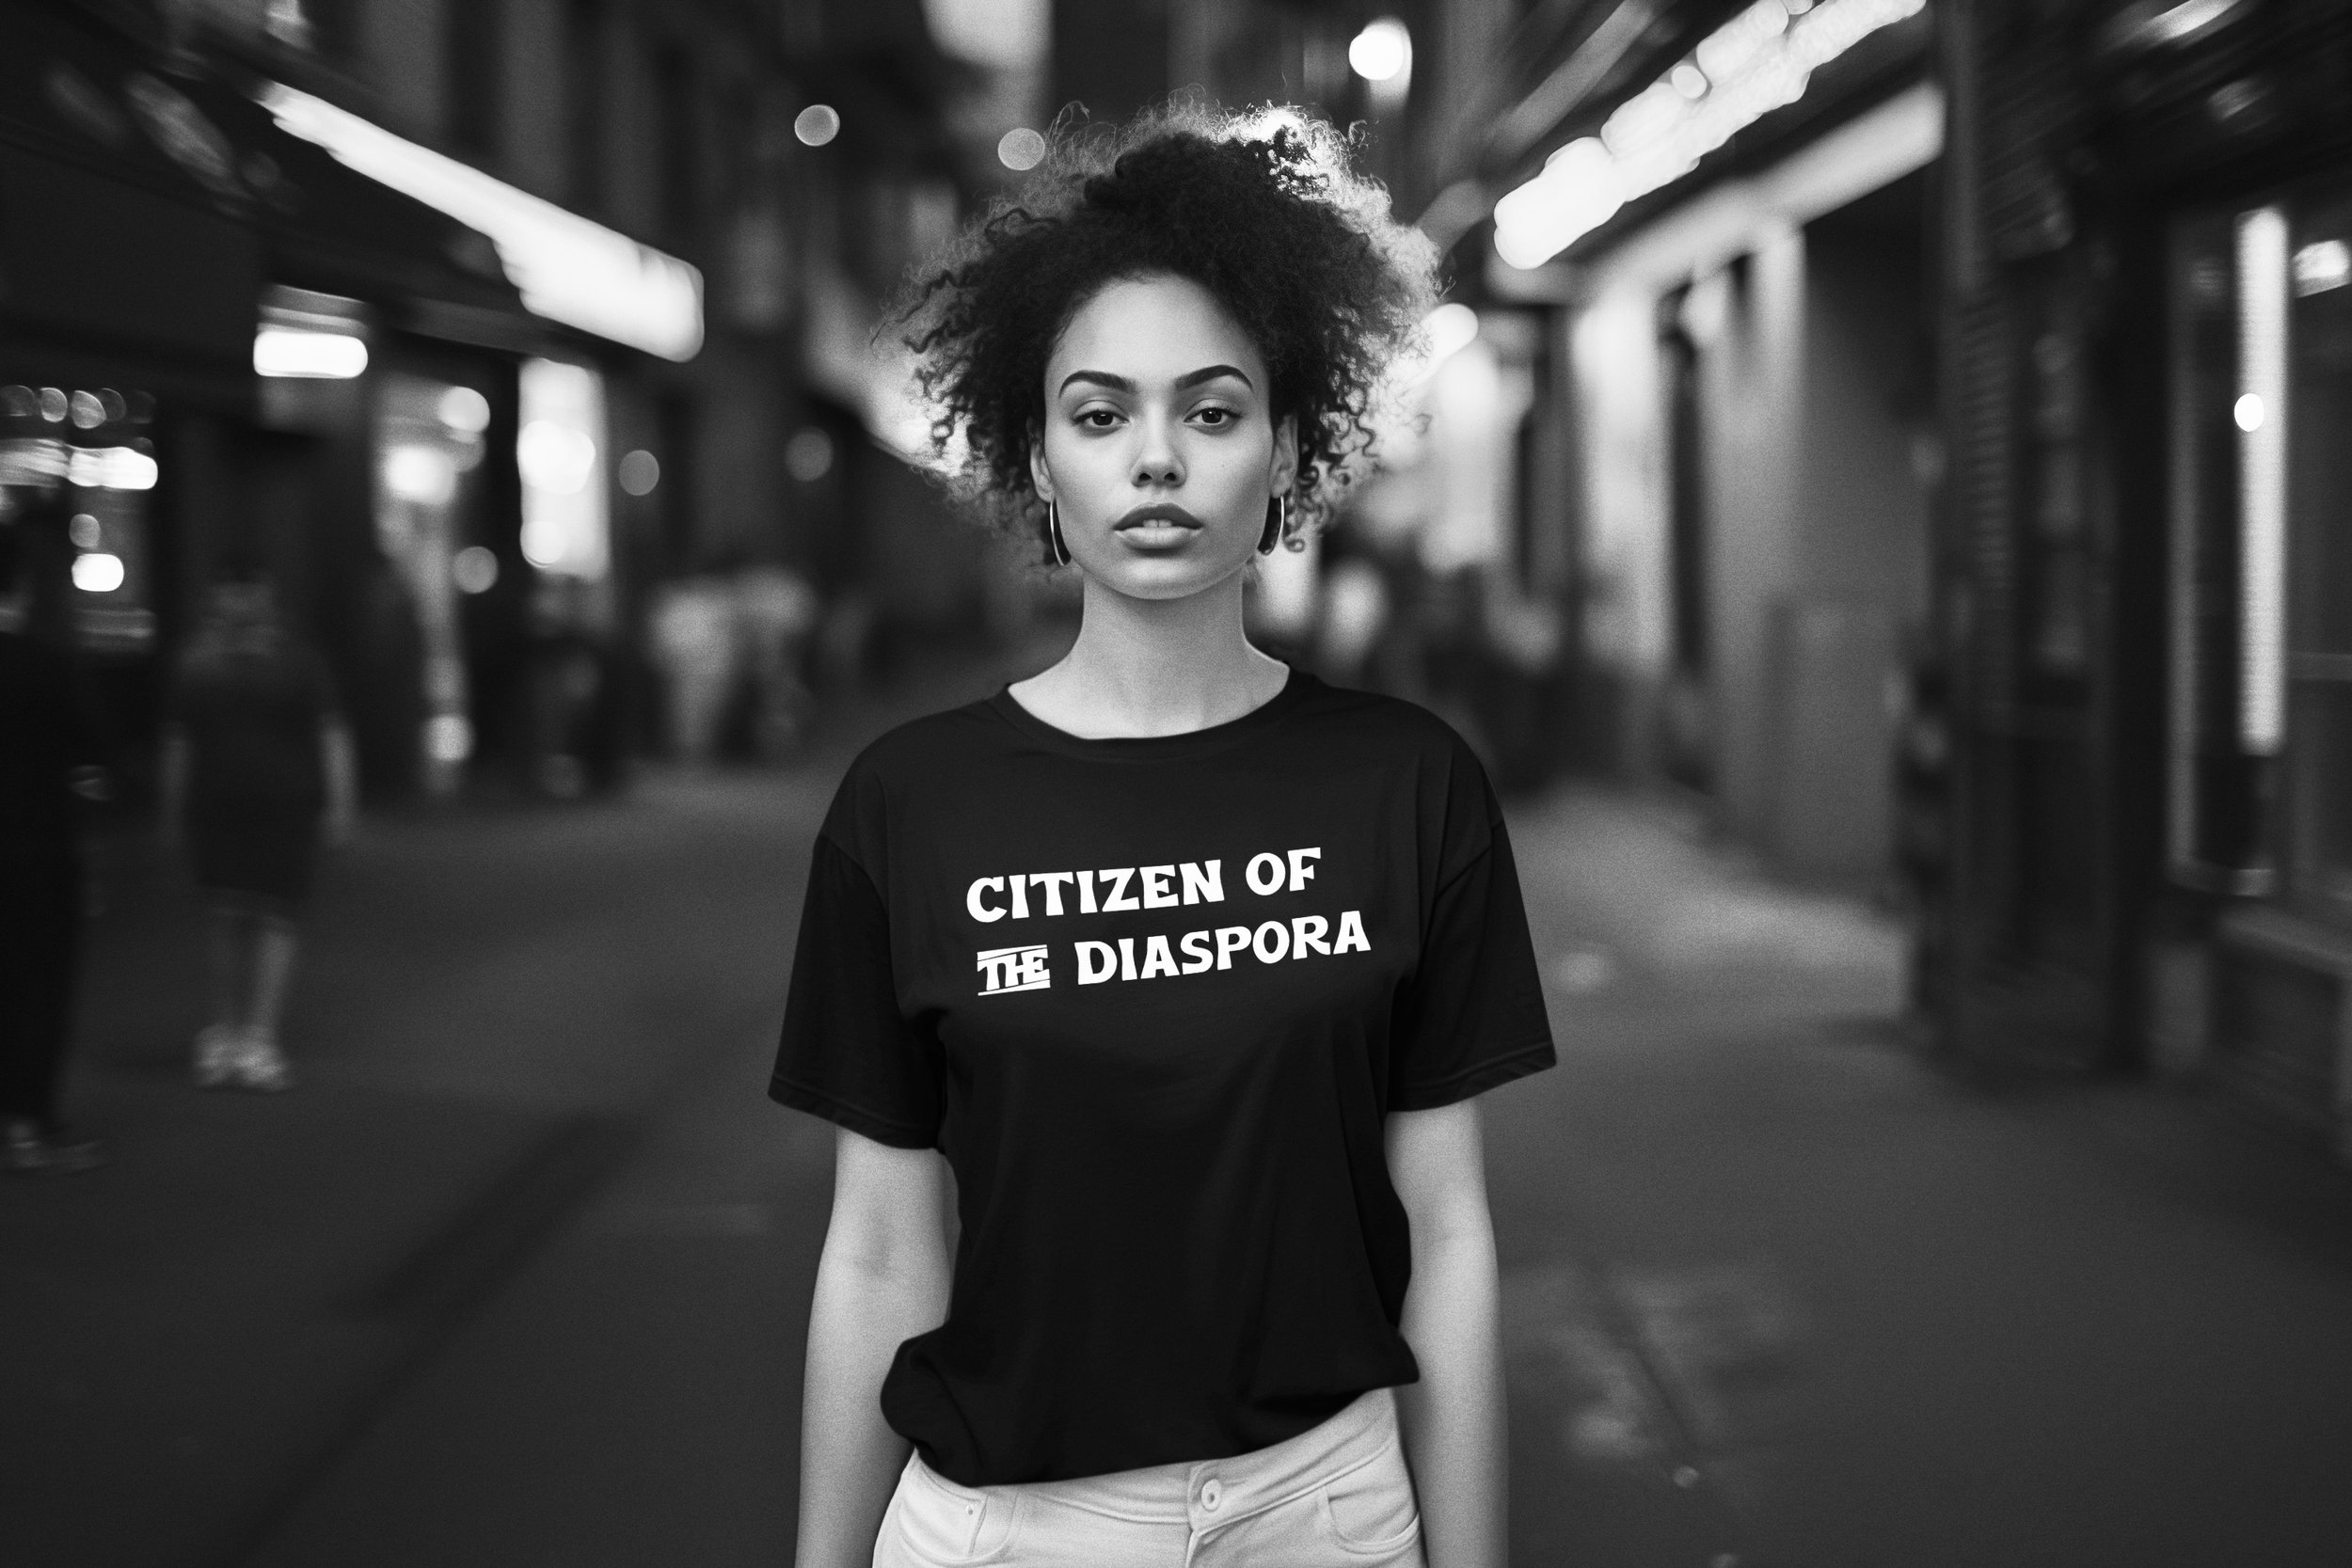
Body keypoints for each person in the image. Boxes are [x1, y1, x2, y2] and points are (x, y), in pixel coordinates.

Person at [773, 105, 1555, 1568]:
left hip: (1325, 1514)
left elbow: (1446, 1232)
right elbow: (879, 1245)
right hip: (1005, 1528)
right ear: (1036, 458)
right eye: (1098, 414)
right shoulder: (909, 801)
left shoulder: (1408, 783)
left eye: (1210, 411)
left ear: (1288, 444)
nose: (1155, 461)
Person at [160, 571, 355, 1091]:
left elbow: (329, 731)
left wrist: (339, 801)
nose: (240, 605)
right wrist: (339, 801)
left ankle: (246, 1034)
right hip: (252, 804)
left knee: (252, 915)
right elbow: (180, 740)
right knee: (252, 915)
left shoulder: (203, 661)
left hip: (253, 804)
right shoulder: (231, 661)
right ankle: (243, 1036)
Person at [0, 513, 107, 1174]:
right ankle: (30, 1122)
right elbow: (93, 753)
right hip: (37, 847)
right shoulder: (46, 665)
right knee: (39, 983)